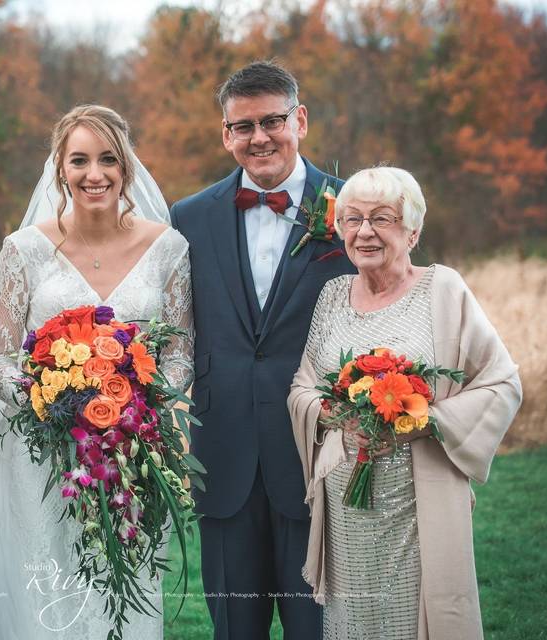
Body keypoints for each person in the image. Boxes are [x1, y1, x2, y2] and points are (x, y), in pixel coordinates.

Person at [0, 104, 194, 639]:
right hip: (44, 457)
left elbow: (181, 352)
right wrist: (51, 400)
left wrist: (137, 405)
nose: (94, 174)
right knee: (47, 594)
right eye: (79, 160)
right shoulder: (23, 250)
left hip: (129, 455)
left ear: (127, 168)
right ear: (59, 169)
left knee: (122, 589)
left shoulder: (168, 247)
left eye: (107, 160)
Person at [288, 166, 522, 639]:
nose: (365, 231)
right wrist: (337, 414)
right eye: (352, 219)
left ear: (412, 230)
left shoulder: (444, 289)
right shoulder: (332, 295)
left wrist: (426, 420)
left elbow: (501, 382)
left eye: (382, 219)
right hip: (346, 504)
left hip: (419, 500)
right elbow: (302, 387)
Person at [170, 60, 356, 639]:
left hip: (319, 453)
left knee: (317, 629)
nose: (259, 138)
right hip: (223, 459)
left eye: (272, 121)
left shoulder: (352, 210)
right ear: (226, 135)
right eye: (242, 126)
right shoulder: (188, 217)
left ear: (299, 119)